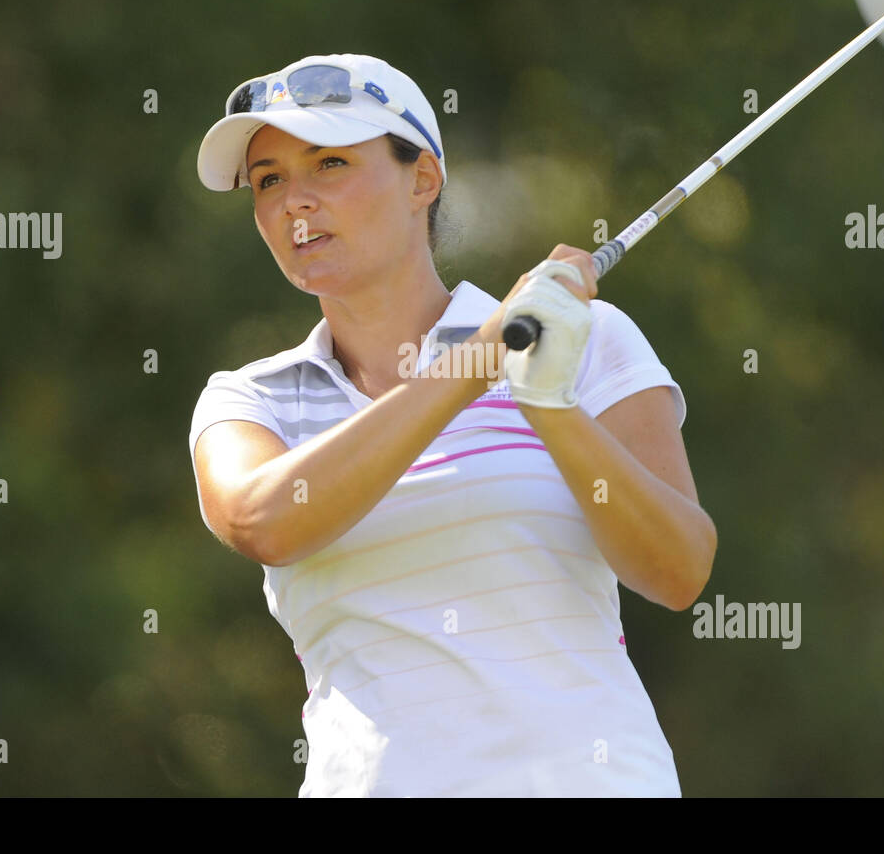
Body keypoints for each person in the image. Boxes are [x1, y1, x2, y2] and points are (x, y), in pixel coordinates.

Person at [189, 52, 717, 797]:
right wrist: (477, 364)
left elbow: (678, 570)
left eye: (330, 162)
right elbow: (263, 521)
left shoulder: (584, 338)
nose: (293, 202)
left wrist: (549, 405)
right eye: (269, 179)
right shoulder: (251, 399)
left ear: (423, 179)